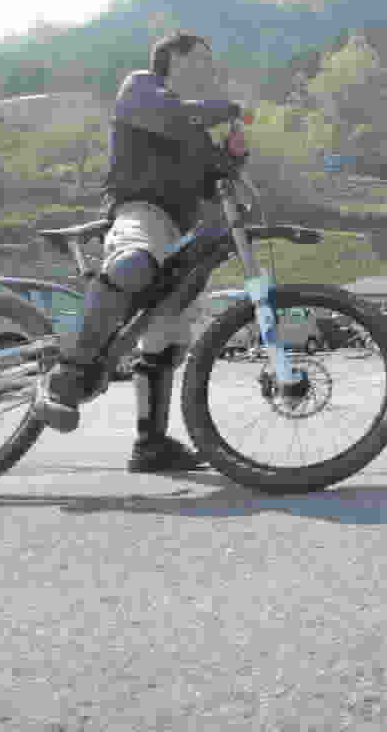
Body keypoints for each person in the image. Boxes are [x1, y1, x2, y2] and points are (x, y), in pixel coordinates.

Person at [32, 32, 244, 472]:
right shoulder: (142, 87)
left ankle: (151, 445)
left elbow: (213, 180)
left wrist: (232, 158)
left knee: (168, 337)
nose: (209, 69)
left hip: (180, 231)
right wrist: (229, 109)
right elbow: (170, 115)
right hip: (140, 211)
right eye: (201, 59)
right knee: (133, 264)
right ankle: (68, 372)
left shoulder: (194, 128)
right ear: (173, 59)